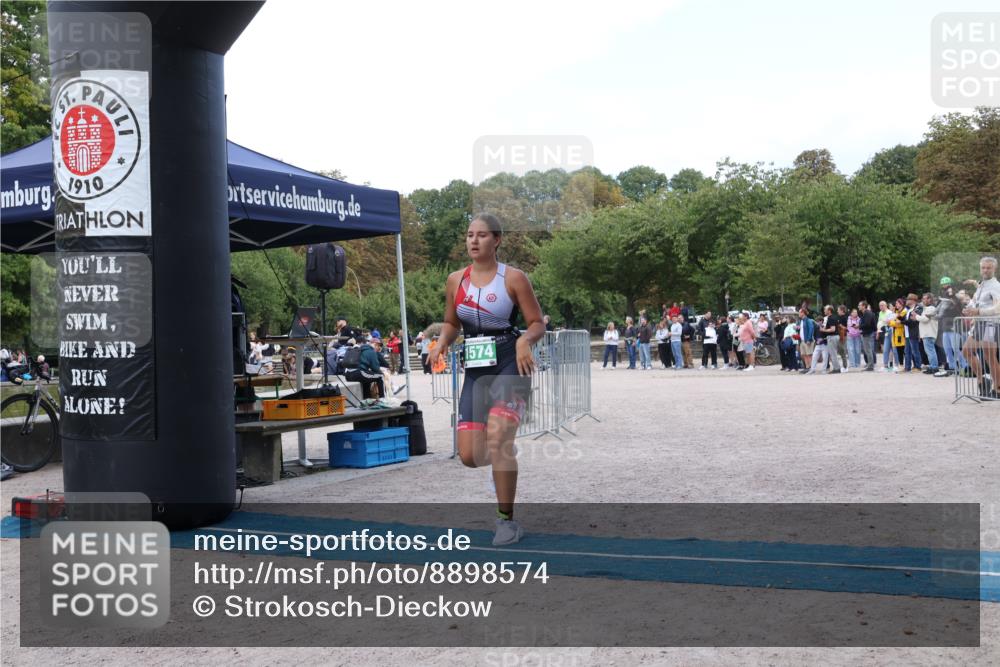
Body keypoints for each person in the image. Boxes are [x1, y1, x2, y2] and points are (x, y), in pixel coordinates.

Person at [428, 213, 545, 545]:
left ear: (497, 240)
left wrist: (525, 341)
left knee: (498, 437)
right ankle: (504, 454)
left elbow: (537, 323)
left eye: (481, 235)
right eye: (469, 235)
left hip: (510, 362)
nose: (473, 241)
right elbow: (451, 322)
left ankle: (506, 521)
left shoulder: (514, 278)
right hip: (477, 370)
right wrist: (442, 342)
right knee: (469, 455)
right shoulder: (455, 280)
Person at [961, 256, 1000, 397]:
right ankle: (982, 379)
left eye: (988, 267)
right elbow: (975, 302)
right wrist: (968, 309)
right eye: (983, 267)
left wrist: (978, 311)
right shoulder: (982, 285)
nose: (985, 270)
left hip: (991, 323)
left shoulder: (996, 286)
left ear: (994, 269)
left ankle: (998, 388)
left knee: (990, 357)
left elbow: (998, 308)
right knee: (966, 351)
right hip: (979, 324)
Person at [934, 278, 967, 377]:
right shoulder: (944, 299)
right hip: (945, 327)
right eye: (944, 285)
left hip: (954, 327)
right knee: (947, 349)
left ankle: (965, 366)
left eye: (947, 285)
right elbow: (939, 309)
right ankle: (953, 368)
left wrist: (953, 296)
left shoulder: (956, 298)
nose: (946, 288)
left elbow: (959, 305)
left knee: (955, 349)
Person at [818, 305, 844, 373]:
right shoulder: (833, 317)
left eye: (825, 309)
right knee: (833, 353)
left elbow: (833, 329)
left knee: (833, 353)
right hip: (834, 337)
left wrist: (823, 330)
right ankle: (837, 368)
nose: (824, 311)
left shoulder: (831, 318)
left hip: (832, 337)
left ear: (829, 311)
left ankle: (837, 368)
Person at [902, 293, 923, 372]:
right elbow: (907, 320)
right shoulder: (907, 310)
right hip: (907, 333)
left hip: (914, 332)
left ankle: (918, 366)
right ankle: (907, 367)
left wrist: (901, 322)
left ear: (913, 300)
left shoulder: (918, 308)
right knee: (907, 351)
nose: (906, 301)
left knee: (915, 350)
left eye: (908, 299)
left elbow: (913, 321)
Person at [858, 301, 878, 371]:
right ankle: (870, 365)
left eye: (859, 305)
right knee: (867, 350)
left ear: (864, 306)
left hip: (868, 333)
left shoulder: (867, 313)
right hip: (866, 333)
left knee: (868, 350)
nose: (858, 306)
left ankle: (870, 366)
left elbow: (867, 324)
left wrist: (859, 326)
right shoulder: (865, 313)